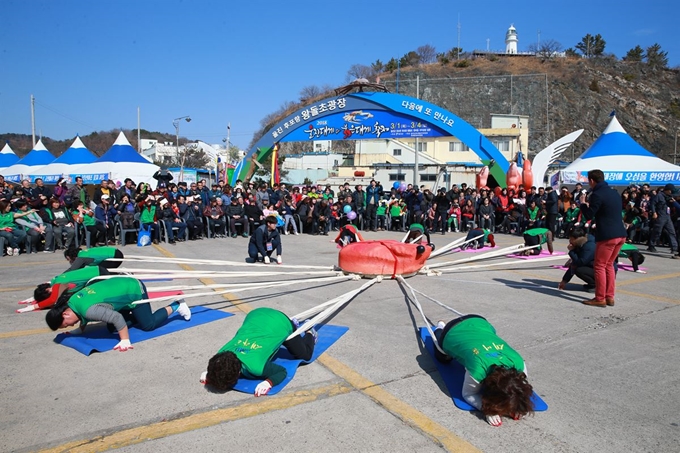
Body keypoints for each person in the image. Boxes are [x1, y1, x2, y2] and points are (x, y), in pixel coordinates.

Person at [433, 315, 534, 427]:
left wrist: (518, 406)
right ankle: (440, 327)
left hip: (480, 321)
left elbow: (516, 391)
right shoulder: (478, 370)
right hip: (452, 330)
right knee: (443, 358)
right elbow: (468, 394)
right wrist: (487, 409)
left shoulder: (519, 363)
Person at [45, 277, 191, 351]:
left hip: (133, 289)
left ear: (65, 314)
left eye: (64, 325)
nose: (68, 326)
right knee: (112, 328)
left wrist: (125, 341)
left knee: (148, 324)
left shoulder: (88, 310)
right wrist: (78, 330)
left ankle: (177, 305)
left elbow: (117, 317)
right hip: (118, 289)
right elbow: (82, 317)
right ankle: (139, 315)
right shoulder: (72, 302)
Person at [200, 307, 316, 395]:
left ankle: (309, 332)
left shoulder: (256, 367)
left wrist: (268, 382)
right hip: (255, 315)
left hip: (281, 322)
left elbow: (282, 372)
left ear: (238, 374)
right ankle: (293, 323)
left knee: (305, 354)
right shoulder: (222, 353)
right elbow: (218, 365)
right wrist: (211, 374)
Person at [579, 169, 627, 307]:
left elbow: (589, 215)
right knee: (609, 265)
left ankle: (600, 298)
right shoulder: (614, 192)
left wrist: (583, 203)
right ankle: (610, 296)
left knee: (599, 266)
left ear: (592, 180)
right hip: (620, 234)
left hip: (607, 235)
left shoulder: (597, 194)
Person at [21, 265, 111, 312]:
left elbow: (53, 300)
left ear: (47, 290)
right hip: (96, 270)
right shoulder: (54, 280)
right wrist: (33, 298)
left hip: (100, 275)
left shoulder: (57, 285)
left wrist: (33, 307)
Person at [558, 226, 596, 293]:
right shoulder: (580, 243)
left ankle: (597, 285)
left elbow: (580, 262)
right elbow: (574, 263)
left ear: (576, 239)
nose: (570, 241)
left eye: (571, 239)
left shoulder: (589, 246)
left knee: (579, 270)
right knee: (576, 267)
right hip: (592, 266)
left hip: (602, 270)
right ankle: (594, 283)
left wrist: (572, 251)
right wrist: (564, 280)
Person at [647, 183, 679, 258]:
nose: (671, 192)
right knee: (657, 231)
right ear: (667, 190)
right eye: (670, 190)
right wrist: (654, 213)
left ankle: (674, 247)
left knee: (672, 232)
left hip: (667, 216)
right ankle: (651, 245)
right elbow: (652, 204)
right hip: (660, 215)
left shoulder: (670, 197)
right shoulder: (659, 195)